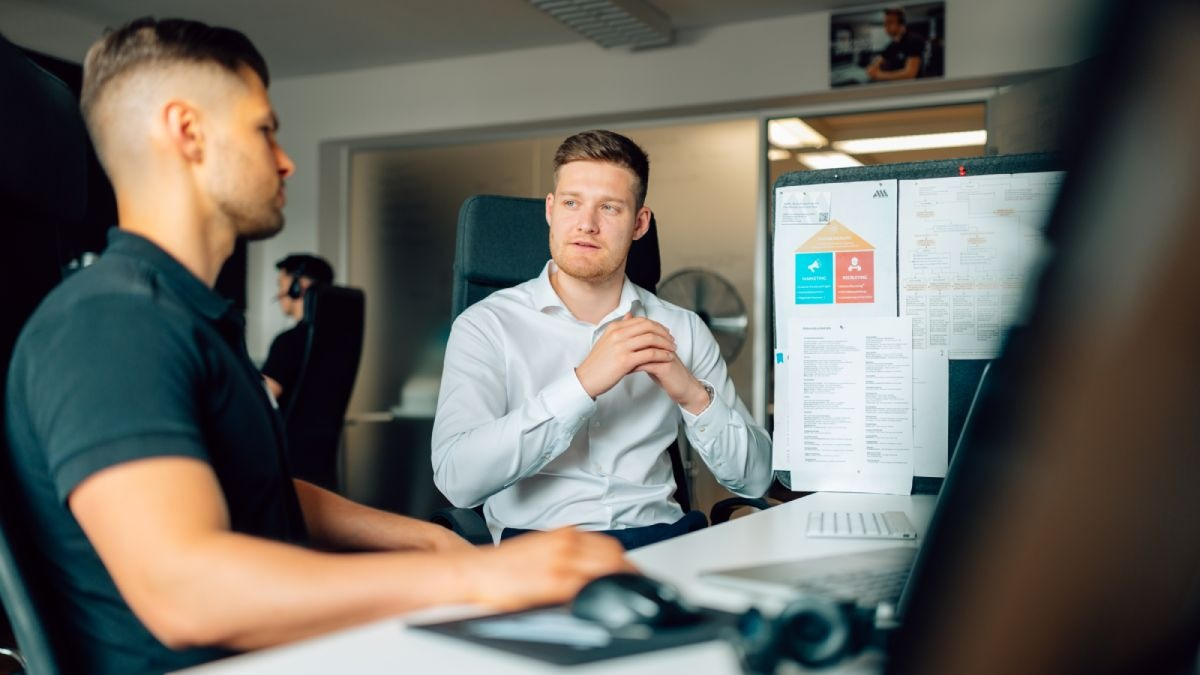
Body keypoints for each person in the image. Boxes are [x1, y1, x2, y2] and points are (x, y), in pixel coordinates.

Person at [3, 18, 628, 675]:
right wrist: (479, 580)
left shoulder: (188, 316)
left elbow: (257, 482)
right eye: (263, 129)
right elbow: (185, 592)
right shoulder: (113, 323)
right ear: (187, 132)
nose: (285, 159)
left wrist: (428, 539)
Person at [432, 129, 772, 550]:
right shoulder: (485, 326)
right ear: (552, 211)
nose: (586, 225)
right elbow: (457, 482)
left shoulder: (682, 329)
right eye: (572, 203)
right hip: (538, 550)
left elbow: (755, 478)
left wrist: (692, 396)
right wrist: (582, 384)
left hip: (664, 544)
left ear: (639, 223)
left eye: (609, 208)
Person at [261, 253, 335, 409]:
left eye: (281, 285)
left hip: (285, 433)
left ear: (297, 287)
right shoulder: (337, 340)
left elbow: (261, 400)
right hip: (324, 433)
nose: (278, 294)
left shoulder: (288, 342)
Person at [866, 8, 927, 82]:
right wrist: (873, 67)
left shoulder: (913, 40)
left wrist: (879, 75)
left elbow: (910, 74)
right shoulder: (893, 44)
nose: (886, 26)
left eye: (890, 22)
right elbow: (879, 59)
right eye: (885, 23)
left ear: (901, 24)